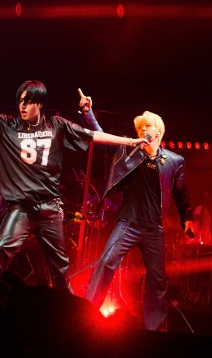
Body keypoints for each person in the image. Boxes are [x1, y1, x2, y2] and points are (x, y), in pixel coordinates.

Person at [0, 79, 147, 293]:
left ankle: (67, 309)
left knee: (59, 268)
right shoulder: (9, 125)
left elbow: (92, 135)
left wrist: (130, 142)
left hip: (50, 208)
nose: (22, 106)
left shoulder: (56, 125)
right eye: (20, 101)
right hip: (21, 209)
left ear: (40, 104)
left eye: (28, 102)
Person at [77, 89, 194, 330]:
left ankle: (156, 330)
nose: (142, 131)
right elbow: (102, 138)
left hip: (154, 229)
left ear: (158, 132)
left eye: (146, 127)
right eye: (139, 128)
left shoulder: (175, 161)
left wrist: (187, 219)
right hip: (127, 223)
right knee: (106, 263)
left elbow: (181, 194)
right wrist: (88, 113)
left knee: (157, 280)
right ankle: (85, 319)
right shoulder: (126, 151)